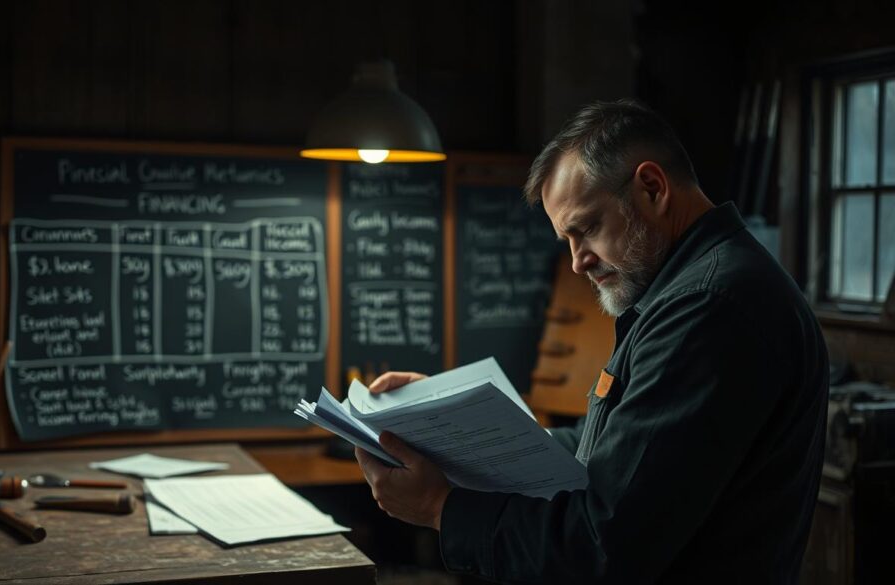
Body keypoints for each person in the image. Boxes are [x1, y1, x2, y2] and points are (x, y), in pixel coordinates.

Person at [355, 99, 829, 584]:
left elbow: (603, 548)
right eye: (567, 240)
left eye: (586, 229)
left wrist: (439, 508)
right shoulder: (687, 290)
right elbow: (604, 446)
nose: (578, 261)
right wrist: (458, 430)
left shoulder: (707, 307)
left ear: (652, 188)